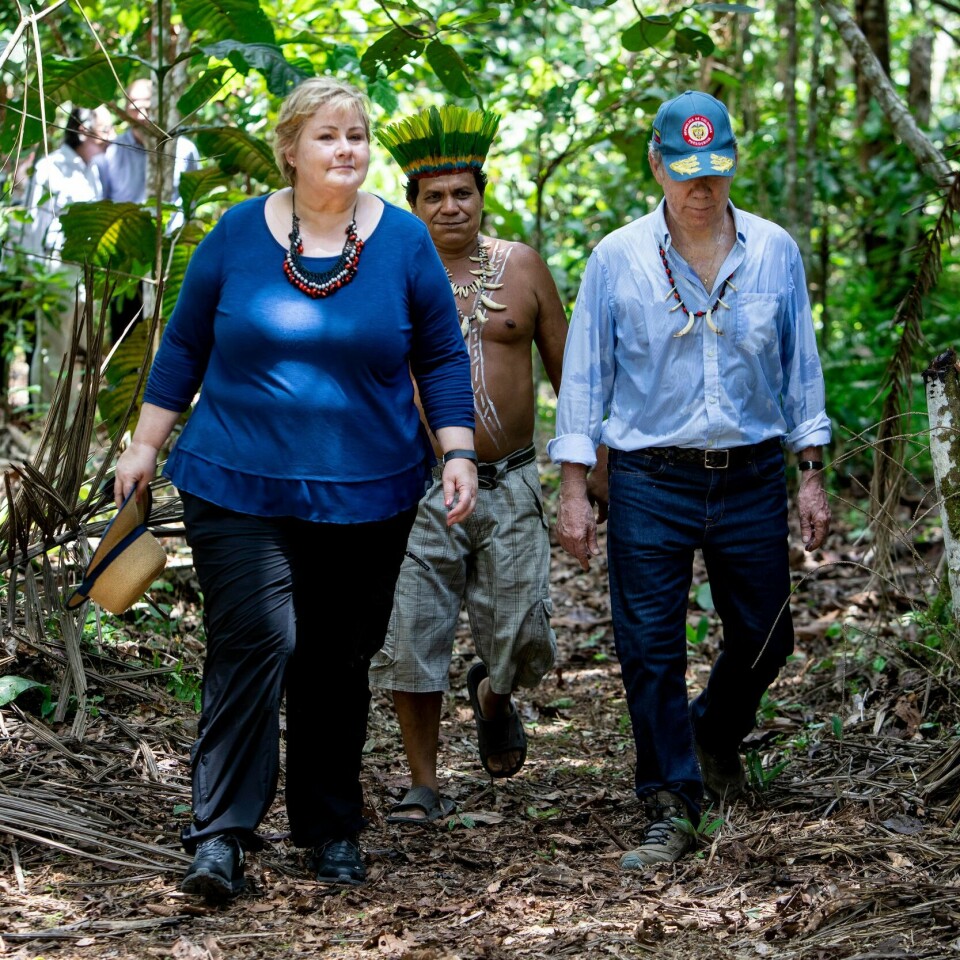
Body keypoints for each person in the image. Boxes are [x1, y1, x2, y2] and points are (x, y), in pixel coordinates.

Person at [113, 77, 477, 900]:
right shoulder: (238, 235)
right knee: (256, 643)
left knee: (336, 660)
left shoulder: (405, 243)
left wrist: (457, 451)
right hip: (236, 483)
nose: (345, 148)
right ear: (290, 148)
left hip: (369, 491)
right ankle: (221, 833)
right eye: (326, 135)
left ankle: (330, 825)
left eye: (356, 134)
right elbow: (183, 346)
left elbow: (441, 358)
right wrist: (144, 444)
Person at [548, 91, 832, 869]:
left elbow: (798, 367)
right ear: (655, 165)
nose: (700, 187)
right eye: (684, 172)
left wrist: (811, 474)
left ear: (734, 162)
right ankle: (670, 801)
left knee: (769, 634)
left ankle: (713, 730)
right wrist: (575, 489)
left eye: (715, 170)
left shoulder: (774, 250)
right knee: (648, 647)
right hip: (649, 476)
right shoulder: (617, 258)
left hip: (748, 473)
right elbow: (584, 380)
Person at [369, 106, 568, 822]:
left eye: (463, 193)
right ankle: (423, 783)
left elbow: (567, 372)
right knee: (412, 635)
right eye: (434, 196)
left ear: (482, 197)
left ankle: (494, 693)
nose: (450, 206)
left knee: (526, 633)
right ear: (412, 203)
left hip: (510, 479)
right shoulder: (384, 273)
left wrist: (586, 468)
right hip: (416, 487)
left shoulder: (521, 267)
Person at [96, 77, 200, 343]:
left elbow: (192, 205)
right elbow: (104, 203)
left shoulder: (183, 149)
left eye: (147, 105)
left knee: (170, 333)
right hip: (127, 259)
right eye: (133, 106)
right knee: (125, 334)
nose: (140, 114)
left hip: (170, 257)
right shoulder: (113, 152)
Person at [21, 105, 113, 403]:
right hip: (56, 268)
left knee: (78, 348)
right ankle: (45, 418)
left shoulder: (92, 170)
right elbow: (35, 223)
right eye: (105, 130)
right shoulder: (52, 166)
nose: (111, 137)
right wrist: (35, 273)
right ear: (84, 131)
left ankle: (69, 419)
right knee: (54, 347)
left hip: (85, 272)